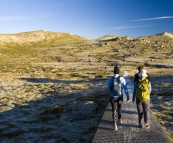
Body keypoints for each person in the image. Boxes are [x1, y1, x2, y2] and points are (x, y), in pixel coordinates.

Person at [108, 65, 130, 131]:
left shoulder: (110, 79)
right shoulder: (122, 79)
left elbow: (109, 87)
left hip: (113, 97)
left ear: (113, 72)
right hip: (120, 96)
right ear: (118, 72)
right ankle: (119, 119)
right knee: (119, 107)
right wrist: (128, 96)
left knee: (113, 110)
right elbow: (125, 88)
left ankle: (115, 124)